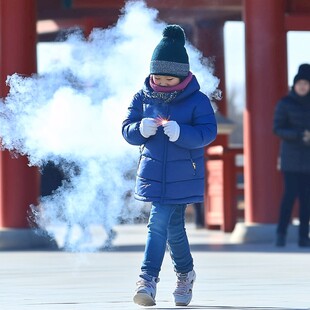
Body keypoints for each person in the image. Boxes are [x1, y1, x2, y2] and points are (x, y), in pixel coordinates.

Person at [122, 24, 217, 306]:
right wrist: (140, 128)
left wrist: (182, 133)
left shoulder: (198, 100)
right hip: (152, 173)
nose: (161, 83)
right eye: (157, 77)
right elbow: (126, 129)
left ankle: (147, 279)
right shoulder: (142, 97)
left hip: (182, 174)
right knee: (173, 227)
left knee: (158, 223)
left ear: (183, 76)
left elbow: (207, 132)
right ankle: (185, 274)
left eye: (168, 79)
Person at [273, 63, 310, 247]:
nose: (303, 86)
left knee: (307, 199)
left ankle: (304, 236)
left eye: (306, 83)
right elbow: (277, 128)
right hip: (291, 158)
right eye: (300, 83)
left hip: (308, 157)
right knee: (289, 196)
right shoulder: (285, 103)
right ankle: (281, 234)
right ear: (295, 84)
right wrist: (298, 135)